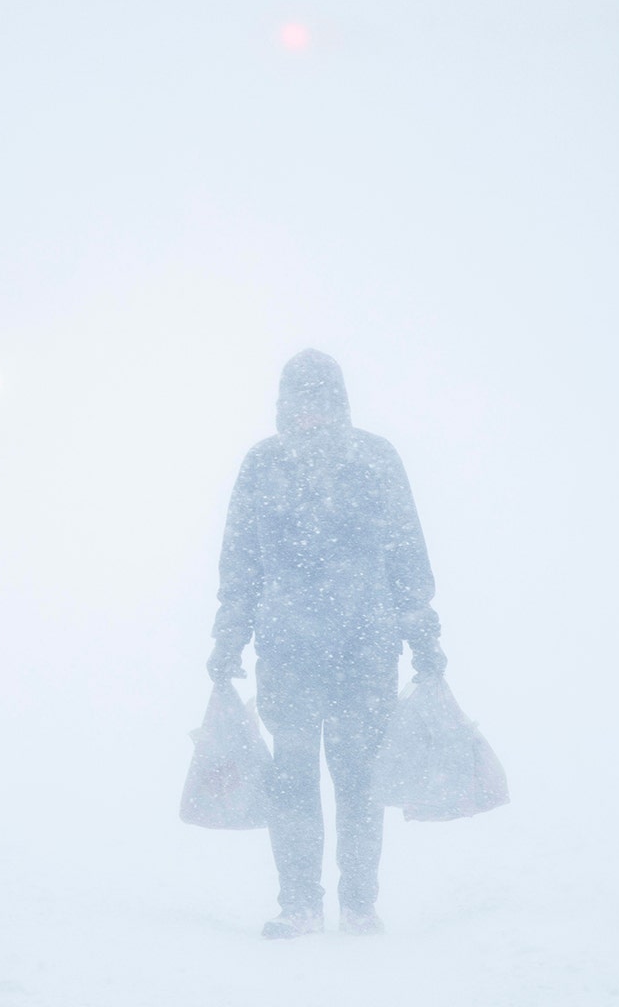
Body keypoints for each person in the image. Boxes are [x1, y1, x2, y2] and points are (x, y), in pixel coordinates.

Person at [207, 349, 445, 939]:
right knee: (291, 778)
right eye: (297, 400)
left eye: (318, 399)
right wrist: (228, 638)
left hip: (365, 649)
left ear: (337, 402)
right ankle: (300, 906)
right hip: (287, 650)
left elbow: (406, 553)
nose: (306, 411)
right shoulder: (262, 465)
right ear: (283, 403)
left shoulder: (376, 459)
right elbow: (240, 565)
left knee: (359, 777)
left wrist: (424, 637)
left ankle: (360, 905)